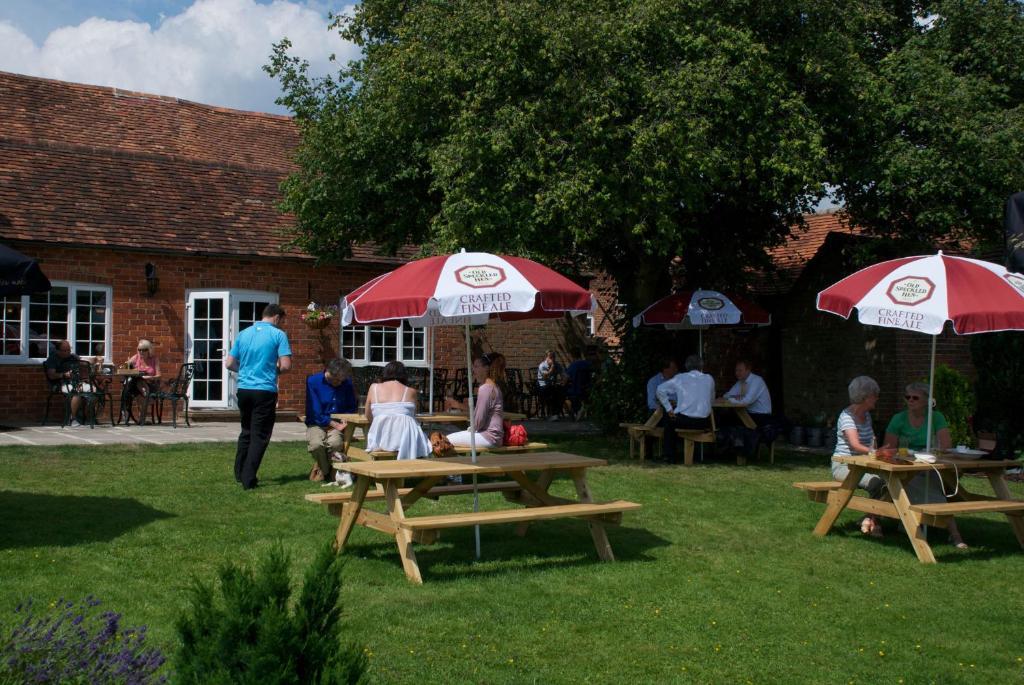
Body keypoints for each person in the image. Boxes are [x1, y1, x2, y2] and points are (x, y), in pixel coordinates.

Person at [882, 381, 967, 548]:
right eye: (908, 397)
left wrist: (930, 452)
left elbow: (945, 446)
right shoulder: (898, 419)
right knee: (923, 486)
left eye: (915, 397)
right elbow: (888, 448)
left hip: (930, 464)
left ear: (927, 401)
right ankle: (955, 534)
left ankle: (911, 523)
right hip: (905, 466)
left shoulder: (936, 417)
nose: (910, 400)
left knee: (931, 483)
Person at [225, 304, 291, 490]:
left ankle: (239, 472)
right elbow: (286, 366)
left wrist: (245, 370)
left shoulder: (244, 333)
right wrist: (272, 370)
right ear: (277, 318)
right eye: (281, 321)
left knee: (246, 430)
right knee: (260, 435)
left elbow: (229, 363)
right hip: (264, 391)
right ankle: (248, 478)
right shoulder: (278, 335)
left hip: (244, 389)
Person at [831, 376, 886, 537]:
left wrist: (877, 451)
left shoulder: (866, 415)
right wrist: (874, 452)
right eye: (875, 395)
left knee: (888, 482)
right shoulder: (847, 417)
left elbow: (871, 443)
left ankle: (869, 518)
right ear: (866, 397)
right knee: (877, 483)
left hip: (863, 464)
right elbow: (855, 445)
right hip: (843, 466)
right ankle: (875, 522)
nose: (877, 398)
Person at [305, 357, 357, 486]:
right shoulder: (313, 381)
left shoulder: (347, 383)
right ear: (329, 372)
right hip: (317, 422)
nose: (340, 383)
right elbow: (315, 411)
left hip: (338, 424)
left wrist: (346, 418)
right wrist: (334, 424)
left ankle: (322, 470)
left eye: (342, 380)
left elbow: (351, 406)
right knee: (316, 445)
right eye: (337, 380)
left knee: (335, 444)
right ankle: (327, 471)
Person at [365, 361, 431, 460]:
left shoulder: (373, 387)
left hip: (381, 438)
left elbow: (368, 415)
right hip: (407, 439)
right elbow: (413, 415)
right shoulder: (411, 391)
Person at [655, 354, 715, 463]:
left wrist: (669, 409)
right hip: (704, 422)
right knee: (673, 418)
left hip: (685, 421)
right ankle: (699, 455)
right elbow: (711, 400)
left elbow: (660, 389)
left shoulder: (681, 377)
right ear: (701, 366)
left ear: (686, 366)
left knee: (668, 418)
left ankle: (670, 456)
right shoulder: (709, 379)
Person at [446, 352, 505, 448]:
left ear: (486, 368)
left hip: (487, 437)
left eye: (476, 367)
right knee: (448, 440)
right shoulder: (494, 386)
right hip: (494, 437)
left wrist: (469, 428)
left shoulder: (485, 388)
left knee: (445, 440)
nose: (473, 370)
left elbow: (478, 422)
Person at [720, 359, 772, 458]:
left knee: (731, 420)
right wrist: (734, 397)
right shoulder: (740, 382)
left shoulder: (757, 381)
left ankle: (738, 450)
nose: (737, 373)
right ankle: (726, 448)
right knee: (724, 417)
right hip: (748, 414)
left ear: (748, 370)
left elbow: (746, 401)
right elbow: (727, 395)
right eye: (736, 370)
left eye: (740, 370)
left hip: (761, 417)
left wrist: (732, 399)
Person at [43, 340, 87, 427]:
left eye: (69, 350)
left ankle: (89, 418)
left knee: (96, 391)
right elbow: (51, 375)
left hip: (76, 382)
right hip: (60, 384)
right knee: (77, 392)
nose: (68, 352)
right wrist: (64, 375)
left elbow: (85, 363)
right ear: (58, 350)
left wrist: (92, 360)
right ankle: (72, 419)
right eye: (65, 350)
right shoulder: (53, 359)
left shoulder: (72, 357)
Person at [123, 338, 161, 423]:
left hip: (151, 385)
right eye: (139, 350)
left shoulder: (154, 359)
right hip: (137, 386)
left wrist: (150, 377)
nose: (141, 352)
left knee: (136, 384)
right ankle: (143, 416)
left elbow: (159, 376)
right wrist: (127, 364)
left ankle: (126, 407)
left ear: (149, 350)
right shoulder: (136, 357)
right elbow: (124, 367)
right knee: (138, 380)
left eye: (143, 350)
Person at [565, 349, 595, 420]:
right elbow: (593, 374)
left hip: (575, 389)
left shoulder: (573, 365)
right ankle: (582, 409)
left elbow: (567, 377)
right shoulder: (588, 364)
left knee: (563, 394)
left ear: (572, 356)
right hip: (587, 389)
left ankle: (575, 411)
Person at [536, 350, 566, 420]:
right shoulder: (542, 366)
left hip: (552, 386)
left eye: (554, 357)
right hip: (542, 386)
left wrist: (564, 380)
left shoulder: (557, 365)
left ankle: (556, 413)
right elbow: (545, 376)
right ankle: (553, 413)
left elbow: (563, 374)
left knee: (562, 391)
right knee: (553, 391)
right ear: (546, 358)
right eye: (551, 357)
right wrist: (552, 368)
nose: (553, 359)